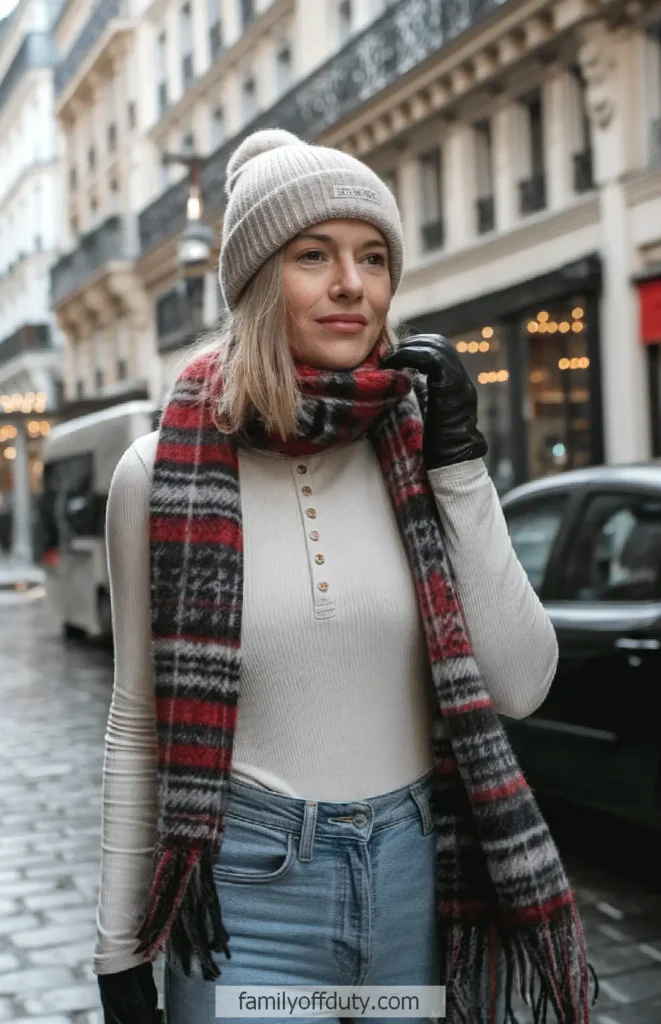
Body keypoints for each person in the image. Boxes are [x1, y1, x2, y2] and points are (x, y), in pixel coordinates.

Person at [94, 129, 592, 1024]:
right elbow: (138, 723)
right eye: (311, 255)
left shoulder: (414, 451)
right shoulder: (156, 472)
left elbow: (521, 683)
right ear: (254, 281)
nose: (350, 285)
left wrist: (461, 467)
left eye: (372, 257)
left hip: (413, 880)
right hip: (245, 895)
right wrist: (119, 944)